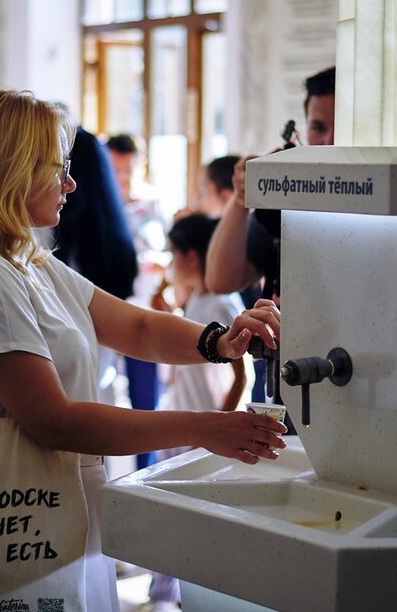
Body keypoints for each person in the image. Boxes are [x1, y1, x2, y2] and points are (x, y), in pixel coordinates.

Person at [0, 89, 287, 612]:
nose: (71, 183)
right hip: (16, 517)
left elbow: (135, 328)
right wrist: (205, 428)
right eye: (57, 167)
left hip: (49, 510)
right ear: (13, 169)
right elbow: (53, 420)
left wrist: (220, 340)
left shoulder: (24, 259)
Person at [147, 213, 248, 610]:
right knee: (168, 511)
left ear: (190, 258)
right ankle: (164, 593)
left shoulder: (220, 303)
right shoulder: (199, 301)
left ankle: (187, 595)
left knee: (192, 517)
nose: (170, 265)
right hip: (184, 426)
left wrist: (219, 425)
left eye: (172, 256)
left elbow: (243, 377)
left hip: (203, 431)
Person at [206, 67, 335, 302]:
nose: (329, 142)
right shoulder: (289, 197)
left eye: (341, 128)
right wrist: (242, 198)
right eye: (319, 128)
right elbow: (220, 281)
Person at [53, 124, 139, 406]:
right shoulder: (111, 233)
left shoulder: (56, 241)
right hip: (97, 378)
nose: (66, 183)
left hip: (76, 388)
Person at [105, 133, 168, 468]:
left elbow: (167, 256)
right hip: (102, 311)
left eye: (129, 170)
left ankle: (148, 473)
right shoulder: (97, 208)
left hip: (142, 312)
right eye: (115, 170)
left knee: (147, 405)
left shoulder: (151, 208)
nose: (123, 178)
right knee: (100, 396)